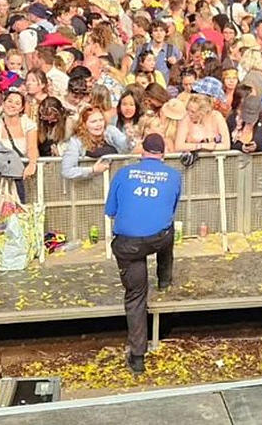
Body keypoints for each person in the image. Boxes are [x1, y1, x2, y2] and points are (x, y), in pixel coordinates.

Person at [105, 134, 182, 374]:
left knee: (136, 296)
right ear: (164, 153)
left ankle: (137, 357)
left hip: (129, 245)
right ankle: (165, 278)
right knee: (168, 230)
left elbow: (110, 211)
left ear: (142, 151)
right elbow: (170, 209)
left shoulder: (124, 173)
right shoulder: (174, 175)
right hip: (159, 238)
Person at [61, 106, 130, 180]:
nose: (99, 124)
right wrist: (92, 169)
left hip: (114, 179)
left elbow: (126, 148)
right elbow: (67, 171)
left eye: (101, 120)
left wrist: (130, 138)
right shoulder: (76, 141)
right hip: (90, 186)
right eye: (93, 121)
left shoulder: (111, 131)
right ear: (84, 124)